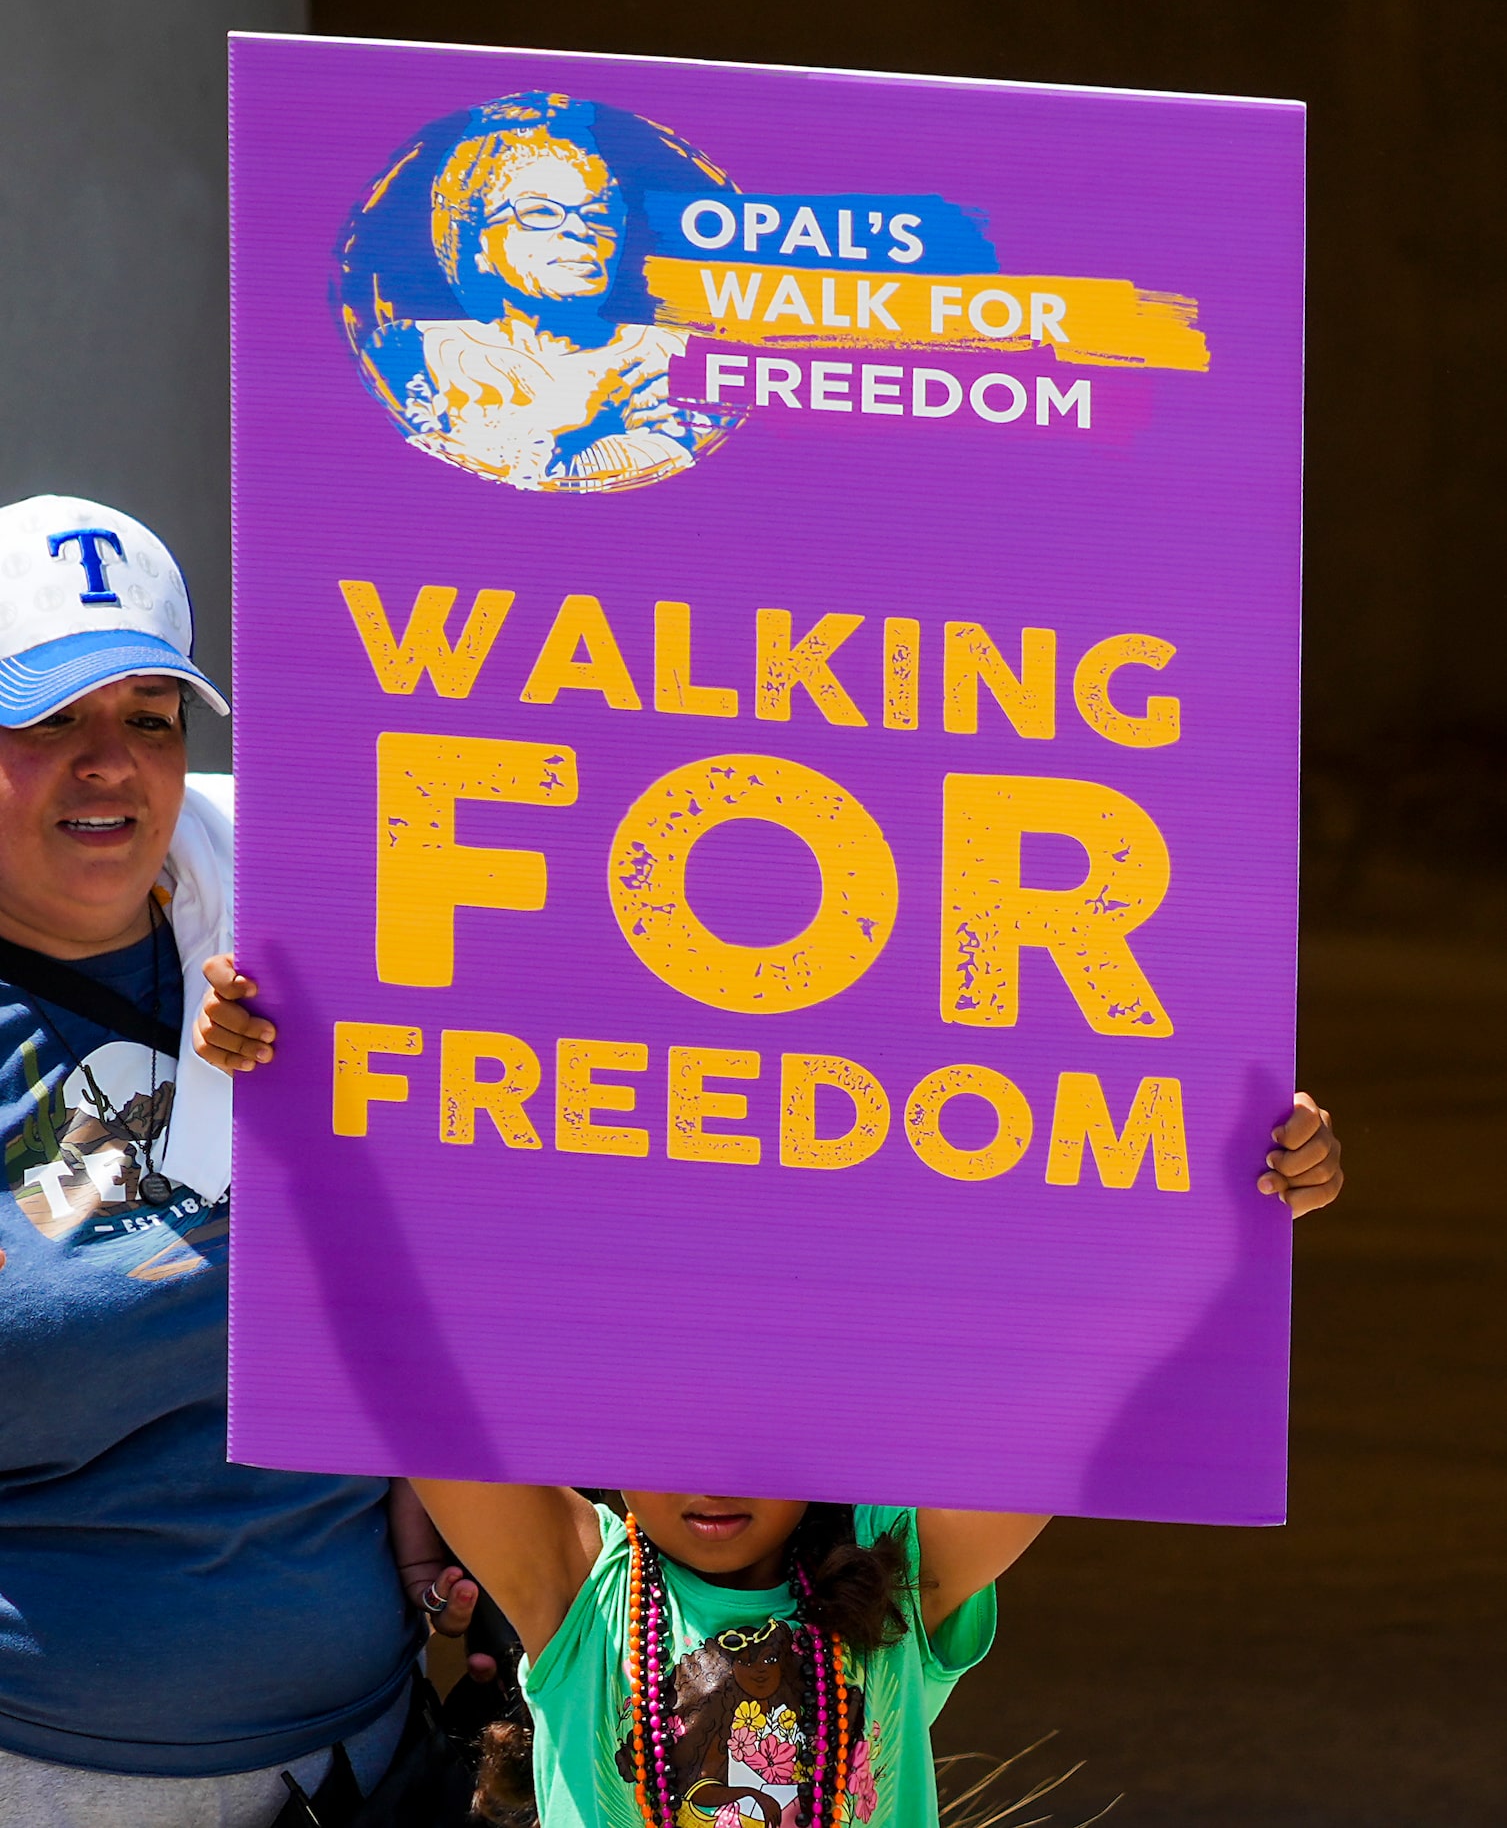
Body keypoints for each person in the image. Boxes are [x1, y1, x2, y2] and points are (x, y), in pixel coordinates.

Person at [199, 889, 1344, 1825]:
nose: (716, 1478)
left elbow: (1076, 1388)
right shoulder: (572, 1590)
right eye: (669, 1435)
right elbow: (400, 1372)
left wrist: (1232, 1209)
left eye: (760, 1434)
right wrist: (292, 1104)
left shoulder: (898, 1591)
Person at [0, 494, 491, 1827]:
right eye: (49, 720)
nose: (111, 762)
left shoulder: (314, 928)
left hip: (358, 1769)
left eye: (149, 716)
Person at [355, 94, 734, 493]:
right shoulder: (407, 352)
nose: (581, 230)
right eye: (539, 213)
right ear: (476, 244)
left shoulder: (677, 354)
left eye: (599, 213)